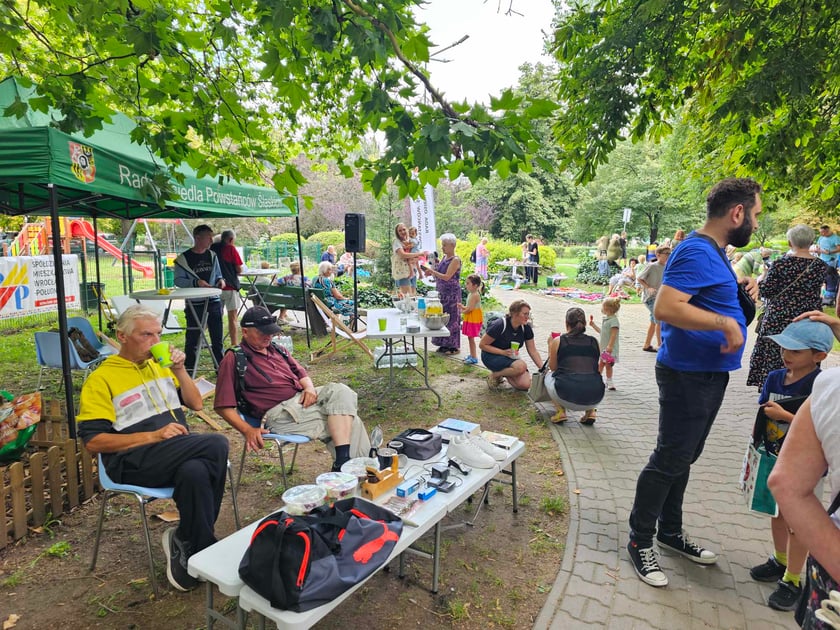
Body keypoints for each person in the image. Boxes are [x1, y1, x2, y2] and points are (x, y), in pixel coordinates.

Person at [626, 177, 762, 588]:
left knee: (684, 457)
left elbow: (703, 295)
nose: (756, 223)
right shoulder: (695, 249)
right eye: (755, 214)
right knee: (671, 457)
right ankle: (640, 540)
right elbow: (666, 306)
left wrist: (739, 291)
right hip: (687, 374)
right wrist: (724, 322)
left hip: (709, 373)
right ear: (736, 213)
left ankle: (669, 532)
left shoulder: (717, 253)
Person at [77, 305, 229, 592]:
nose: (156, 341)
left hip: (174, 453)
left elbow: (196, 404)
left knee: (195, 471)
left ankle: (187, 540)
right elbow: (93, 442)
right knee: (217, 443)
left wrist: (180, 370)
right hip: (130, 460)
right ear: (122, 336)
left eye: (158, 334)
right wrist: (153, 436)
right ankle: (204, 545)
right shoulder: (102, 379)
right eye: (146, 334)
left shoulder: (160, 366)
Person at [214, 306, 370, 471]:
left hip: (301, 401)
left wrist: (309, 387)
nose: (268, 336)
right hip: (278, 414)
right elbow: (222, 406)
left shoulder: (276, 349)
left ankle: (346, 466)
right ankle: (356, 470)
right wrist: (247, 430)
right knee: (348, 419)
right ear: (245, 332)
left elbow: (300, 372)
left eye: (270, 332)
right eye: (262, 333)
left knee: (340, 390)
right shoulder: (234, 358)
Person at [748, 319, 833, 611]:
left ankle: (793, 579)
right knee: (778, 512)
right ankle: (780, 560)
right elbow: (762, 411)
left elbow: (820, 430)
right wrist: (755, 441)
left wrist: (786, 416)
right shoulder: (774, 377)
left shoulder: (820, 386)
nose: (787, 353)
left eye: (796, 350)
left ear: (819, 356)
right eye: (784, 346)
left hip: (807, 467)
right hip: (775, 457)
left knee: (799, 522)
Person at [747, 224, 826, 388]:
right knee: (806, 352)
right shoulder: (821, 266)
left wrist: (759, 281)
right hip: (808, 317)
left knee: (776, 352)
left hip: (779, 316)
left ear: (790, 243)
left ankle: (773, 390)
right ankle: (804, 391)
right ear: (811, 242)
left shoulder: (780, 264)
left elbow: (767, 291)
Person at [173, 224, 224, 373]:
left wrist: (221, 280)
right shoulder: (183, 259)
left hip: (213, 300)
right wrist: (196, 282)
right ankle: (189, 369)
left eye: (211, 238)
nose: (210, 241)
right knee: (193, 339)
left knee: (217, 338)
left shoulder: (212, 255)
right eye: (208, 238)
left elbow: (218, 274)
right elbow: (178, 281)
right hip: (195, 303)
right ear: (197, 238)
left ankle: (220, 368)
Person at [544, 307, 604, 425]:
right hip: (596, 396)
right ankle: (590, 411)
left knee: (548, 375)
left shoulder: (559, 341)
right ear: (585, 323)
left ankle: (560, 411)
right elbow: (595, 368)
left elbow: (553, 367)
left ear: (567, 323)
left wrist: (550, 346)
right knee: (588, 376)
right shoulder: (594, 341)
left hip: (566, 395)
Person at [479, 299, 543, 391]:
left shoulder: (526, 328)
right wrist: (502, 352)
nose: (527, 317)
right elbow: (482, 345)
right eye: (524, 314)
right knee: (521, 366)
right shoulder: (500, 325)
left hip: (511, 357)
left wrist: (542, 368)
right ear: (514, 313)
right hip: (491, 355)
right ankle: (495, 375)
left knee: (525, 385)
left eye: (528, 314)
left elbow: (533, 351)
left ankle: (503, 373)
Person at [421, 233, 462, 355]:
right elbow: (439, 272)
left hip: (452, 294)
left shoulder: (455, 260)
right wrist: (430, 271)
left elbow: (447, 276)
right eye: (442, 245)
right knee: (441, 317)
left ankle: (453, 346)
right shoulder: (444, 258)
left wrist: (433, 271)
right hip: (442, 292)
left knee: (452, 318)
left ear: (452, 246)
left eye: (445, 245)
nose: (443, 248)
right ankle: (443, 344)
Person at [210, 229, 244, 347]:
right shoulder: (230, 248)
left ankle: (213, 342)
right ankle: (234, 343)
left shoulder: (212, 248)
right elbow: (239, 269)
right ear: (230, 239)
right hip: (230, 286)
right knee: (232, 318)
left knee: (214, 317)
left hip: (214, 288)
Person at [636, 244, 671, 352]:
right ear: (658, 254)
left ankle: (647, 345)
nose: (668, 256)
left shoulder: (667, 267)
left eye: (670, 254)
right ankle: (660, 345)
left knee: (653, 321)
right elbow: (639, 278)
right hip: (650, 298)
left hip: (659, 297)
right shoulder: (652, 266)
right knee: (659, 320)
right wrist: (648, 287)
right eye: (666, 254)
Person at [588, 297, 620, 391]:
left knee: (608, 365)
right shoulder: (606, 319)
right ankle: (596, 379)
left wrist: (610, 346)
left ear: (607, 309)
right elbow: (602, 332)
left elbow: (613, 335)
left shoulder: (614, 321)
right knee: (601, 364)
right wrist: (593, 325)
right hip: (604, 349)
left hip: (609, 349)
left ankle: (609, 381)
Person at [392, 223, 424, 296]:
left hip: (412, 269)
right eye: (400, 231)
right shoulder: (396, 242)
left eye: (404, 229)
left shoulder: (411, 240)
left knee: (413, 295)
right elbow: (403, 255)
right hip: (403, 271)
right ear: (397, 233)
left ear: (407, 229)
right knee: (407, 296)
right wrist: (419, 254)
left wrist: (417, 257)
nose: (403, 232)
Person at [459, 274, 483, 365]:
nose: (466, 285)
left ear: (475, 285)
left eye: (468, 283)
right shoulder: (471, 294)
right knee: (470, 338)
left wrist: (462, 312)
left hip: (473, 318)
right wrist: (463, 307)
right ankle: (472, 355)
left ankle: (474, 357)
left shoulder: (474, 295)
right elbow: (469, 307)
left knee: (471, 338)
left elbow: (470, 309)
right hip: (471, 317)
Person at [817, 225, 840, 306]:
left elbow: (839, 248)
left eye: (823, 232)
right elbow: (818, 246)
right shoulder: (821, 238)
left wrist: (830, 252)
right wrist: (818, 251)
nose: (822, 234)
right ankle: (823, 296)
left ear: (828, 231)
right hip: (821, 260)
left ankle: (830, 296)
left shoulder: (835, 238)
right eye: (821, 232)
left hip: (831, 261)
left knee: (830, 278)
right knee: (822, 278)